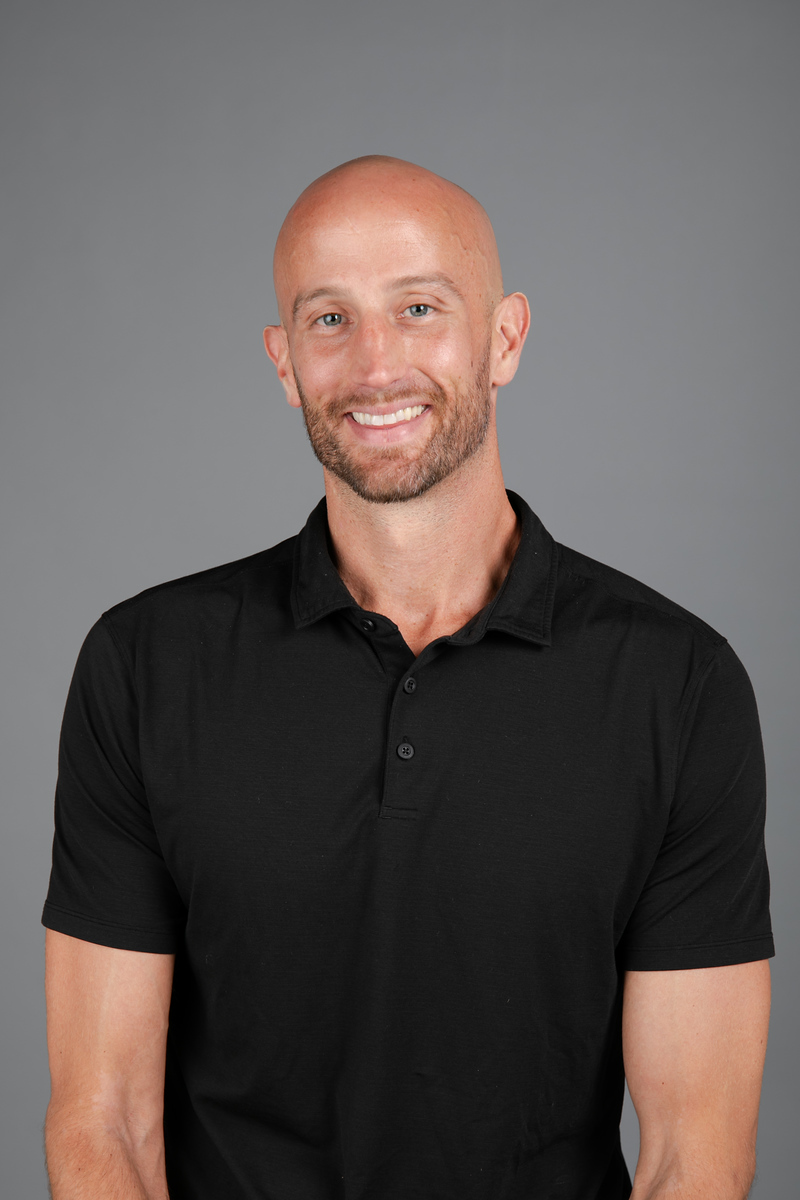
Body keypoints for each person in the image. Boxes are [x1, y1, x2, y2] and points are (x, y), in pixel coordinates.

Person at [43, 156, 773, 1200]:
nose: (374, 364)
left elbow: (691, 1153)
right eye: (327, 319)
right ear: (284, 362)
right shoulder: (145, 666)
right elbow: (101, 1121)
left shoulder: (677, 685)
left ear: (504, 338)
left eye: (419, 307)